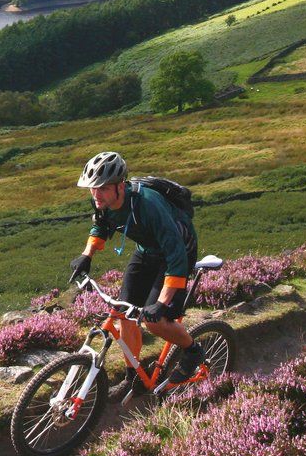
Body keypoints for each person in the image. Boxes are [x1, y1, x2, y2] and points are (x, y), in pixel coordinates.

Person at [68, 151, 205, 394]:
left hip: (177, 252)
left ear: (121, 186)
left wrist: (161, 303)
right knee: (123, 313)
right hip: (147, 251)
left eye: (103, 188)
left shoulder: (149, 205)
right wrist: (87, 255)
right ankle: (135, 377)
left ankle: (193, 351)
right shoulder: (101, 201)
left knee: (156, 322)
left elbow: (176, 256)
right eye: (92, 189)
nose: (96, 194)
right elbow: (100, 224)